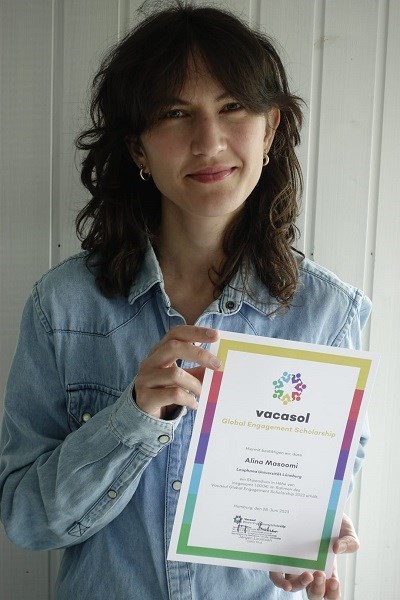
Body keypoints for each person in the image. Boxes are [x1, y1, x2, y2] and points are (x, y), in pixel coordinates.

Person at [0, 2, 370, 599]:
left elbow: (316, 503)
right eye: (175, 113)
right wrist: (132, 418)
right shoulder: (63, 307)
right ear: (138, 149)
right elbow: (25, 520)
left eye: (233, 107)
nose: (209, 141)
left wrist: (306, 544)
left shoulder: (330, 314)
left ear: (271, 129)